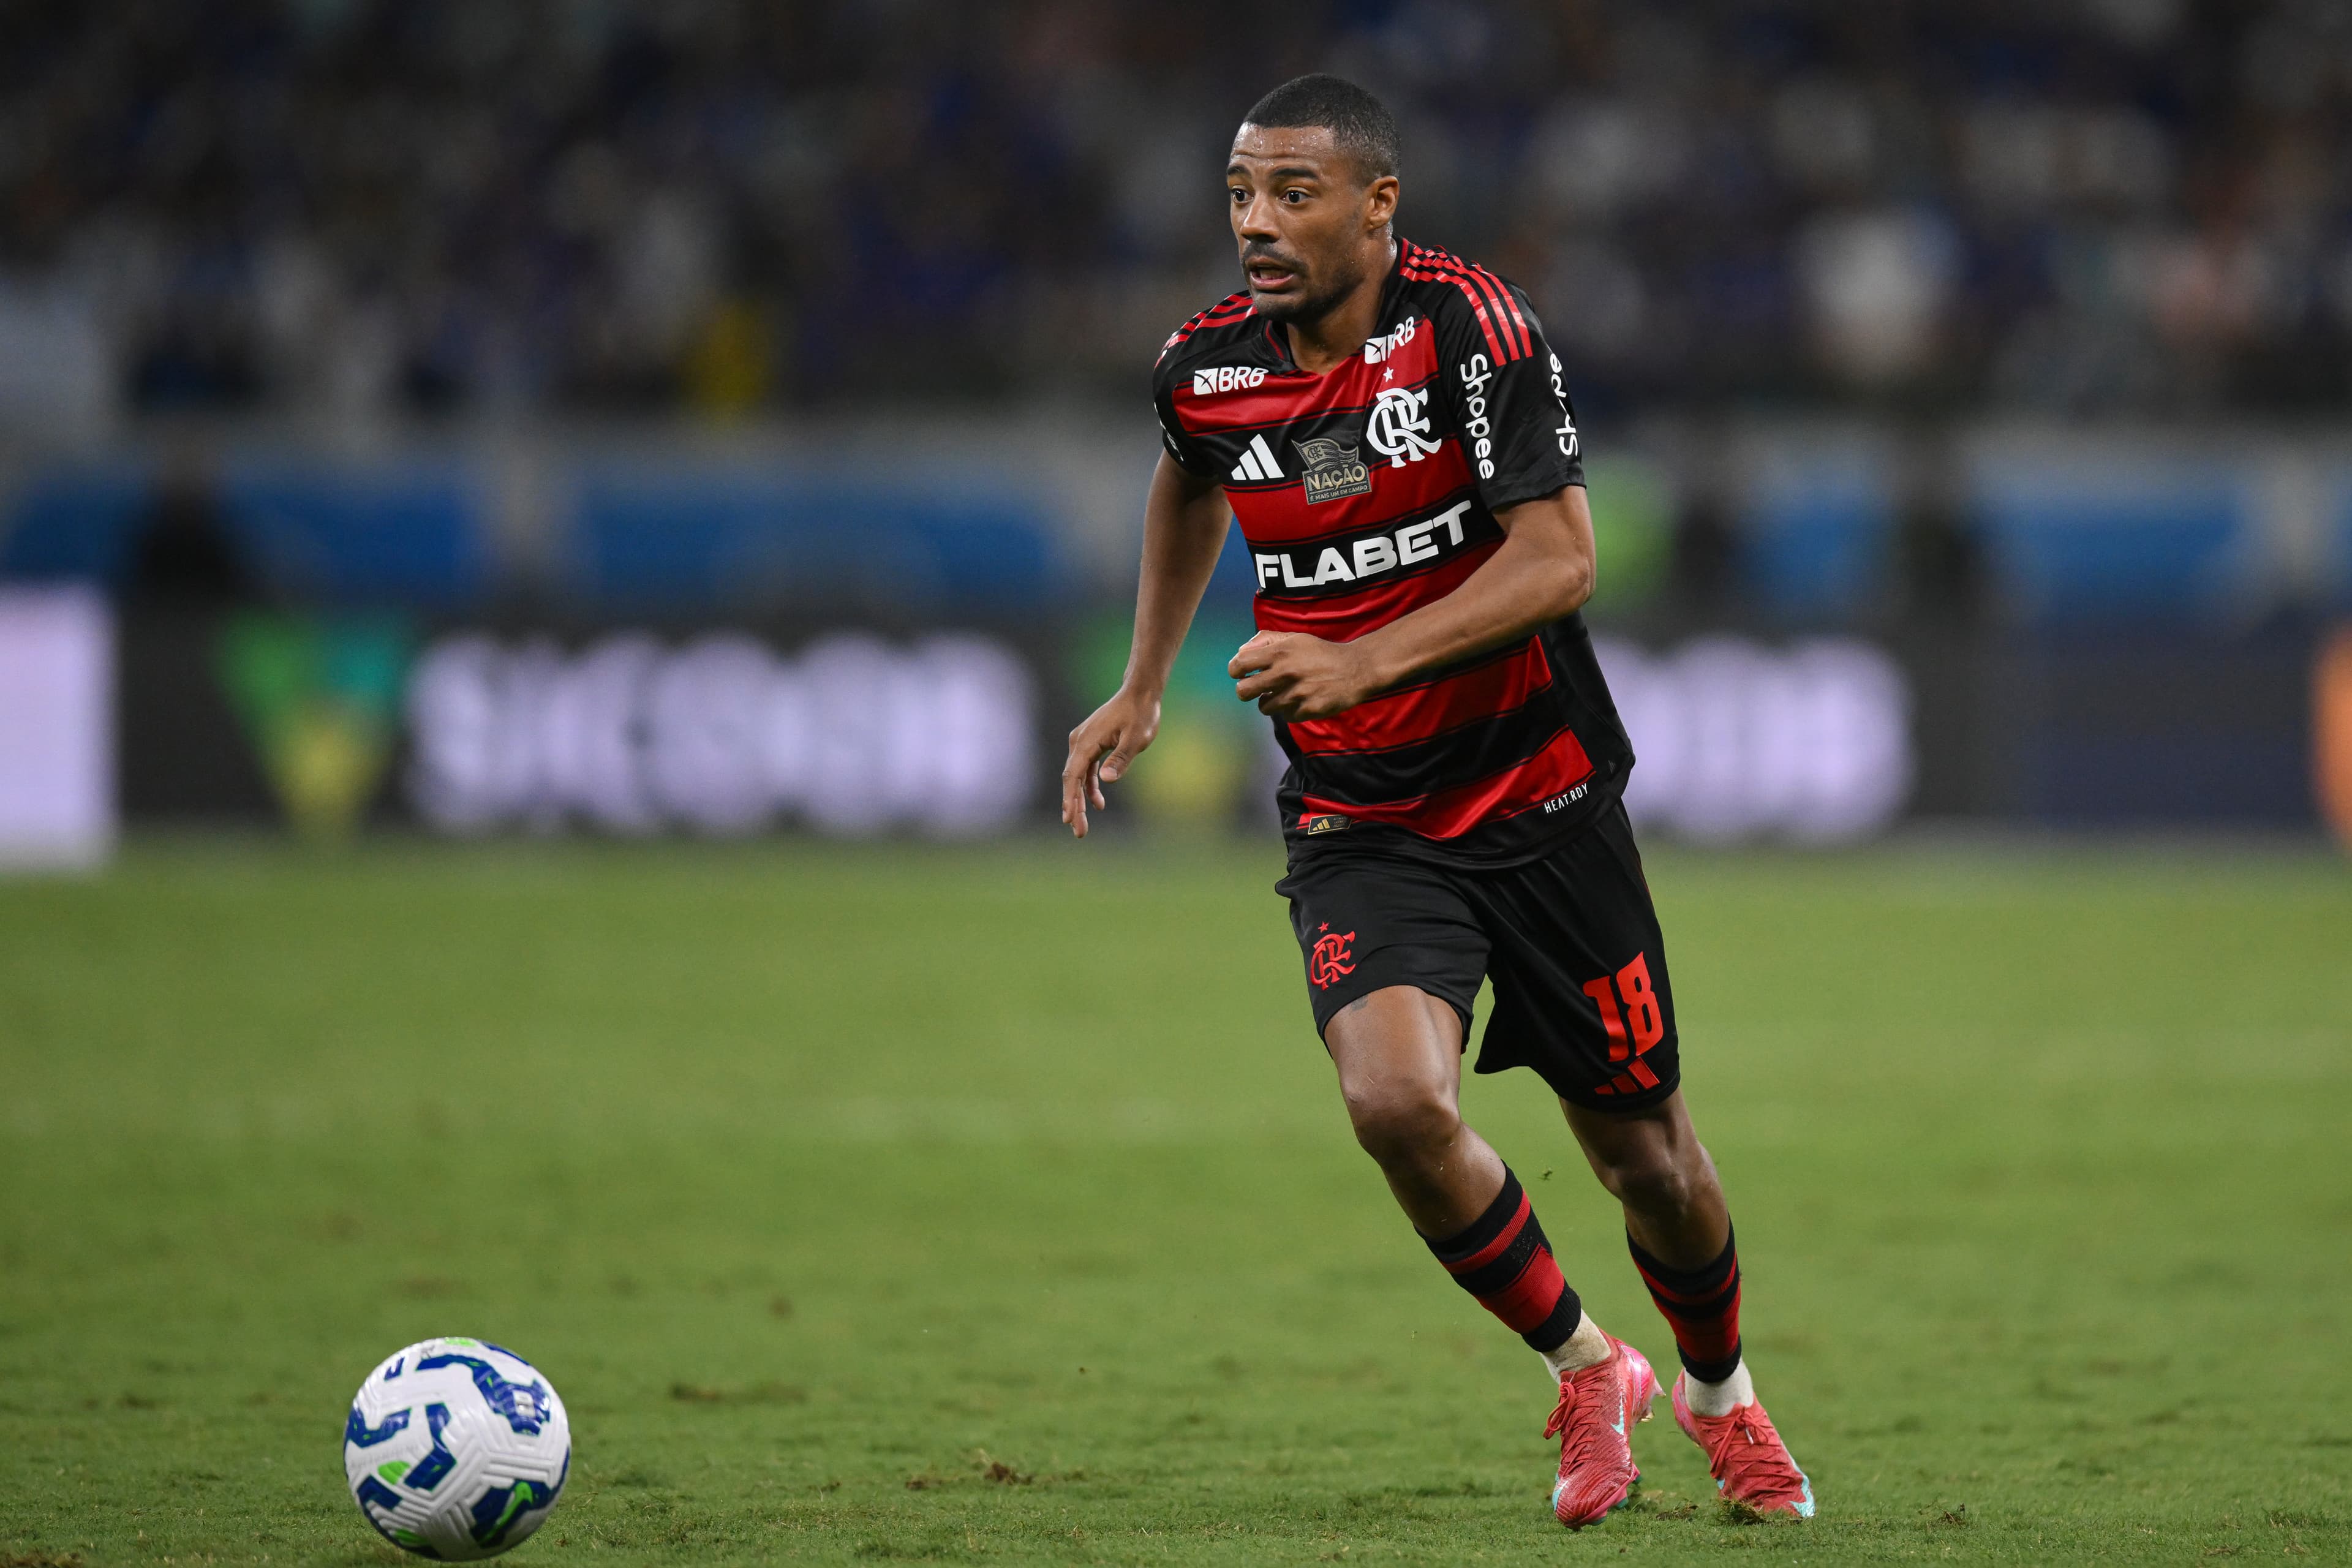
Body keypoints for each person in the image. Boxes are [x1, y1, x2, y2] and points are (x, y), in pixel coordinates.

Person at [1060, 74, 1812, 1529]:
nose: (1257, 223)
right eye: (1240, 194)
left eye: (1293, 193)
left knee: (1648, 1159)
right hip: (1363, 816)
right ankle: (1588, 1366)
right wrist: (1147, 681)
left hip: (1542, 793)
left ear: (1378, 205)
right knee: (1398, 1102)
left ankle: (1719, 1392)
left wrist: (1361, 658)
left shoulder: (1472, 329)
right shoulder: (1206, 365)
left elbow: (1560, 559)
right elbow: (1188, 479)